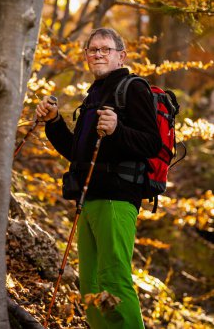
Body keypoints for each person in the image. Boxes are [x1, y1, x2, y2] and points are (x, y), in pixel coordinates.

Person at [36, 28, 162, 329]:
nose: (98, 54)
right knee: (90, 287)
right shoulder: (94, 94)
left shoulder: (134, 88)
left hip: (117, 198)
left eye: (106, 49)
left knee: (114, 280)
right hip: (89, 197)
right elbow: (76, 152)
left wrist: (118, 129)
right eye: (93, 50)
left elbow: (151, 143)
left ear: (122, 55)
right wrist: (54, 122)